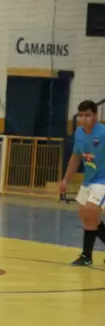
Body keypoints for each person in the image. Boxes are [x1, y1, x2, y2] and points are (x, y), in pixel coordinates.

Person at [59, 100, 105, 266]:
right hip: (88, 180)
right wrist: (66, 179)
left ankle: (86, 256)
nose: (84, 119)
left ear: (96, 116)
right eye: (81, 115)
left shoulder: (103, 133)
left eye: (88, 115)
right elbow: (76, 157)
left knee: (91, 211)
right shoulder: (79, 133)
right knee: (86, 217)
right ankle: (87, 256)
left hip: (103, 180)